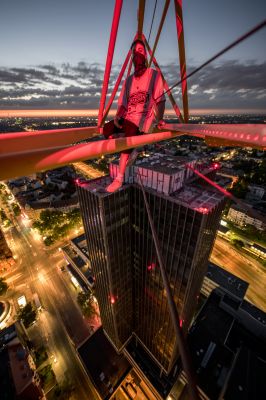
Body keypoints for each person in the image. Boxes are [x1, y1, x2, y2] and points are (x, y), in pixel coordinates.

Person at [103, 39, 166, 193]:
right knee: (107, 129)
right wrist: (118, 118)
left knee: (129, 134)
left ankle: (120, 177)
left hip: (141, 123)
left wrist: (160, 119)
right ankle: (133, 147)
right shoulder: (129, 81)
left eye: (141, 50)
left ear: (145, 55)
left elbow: (160, 99)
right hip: (128, 119)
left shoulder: (154, 75)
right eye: (135, 51)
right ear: (132, 56)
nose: (138, 53)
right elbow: (123, 103)